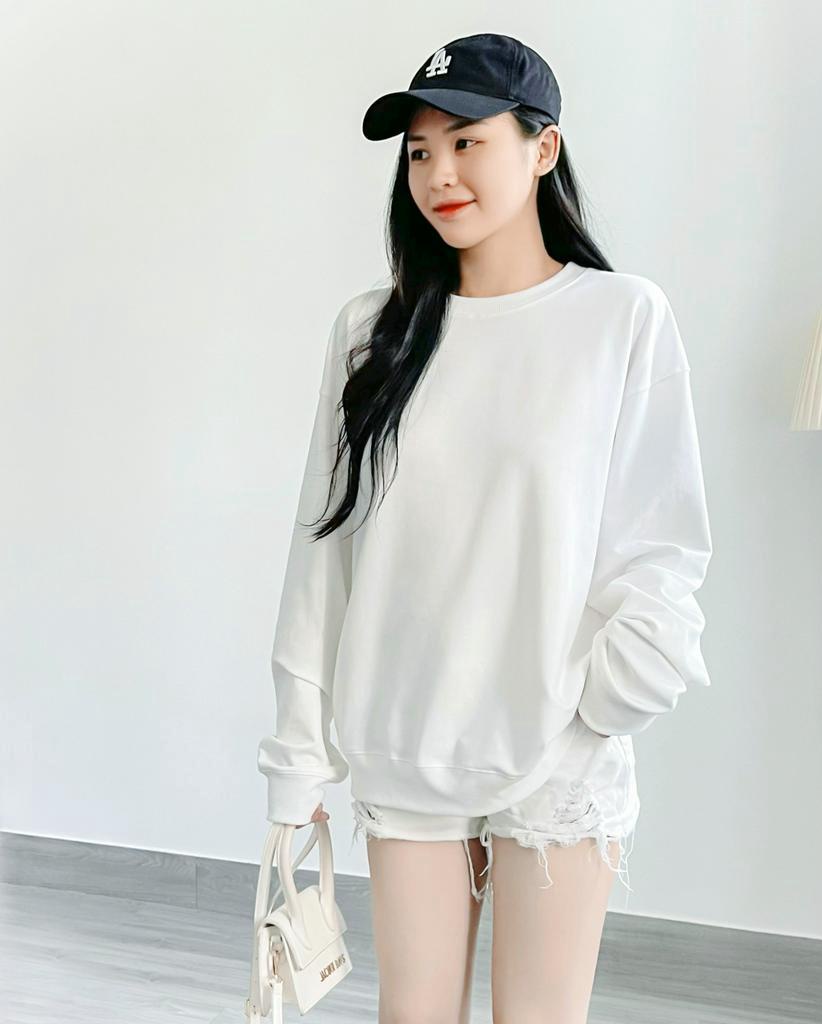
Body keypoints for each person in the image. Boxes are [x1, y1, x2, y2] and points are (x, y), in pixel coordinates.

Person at [256, 32, 713, 1024]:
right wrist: (297, 757)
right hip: (405, 737)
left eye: (466, 142)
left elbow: (659, 543)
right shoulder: (371, 332)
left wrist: (593, 704)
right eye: (420, 151)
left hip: (557, 751)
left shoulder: (619, 318)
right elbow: (323, 554)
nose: (438, 174)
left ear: (543, 148)